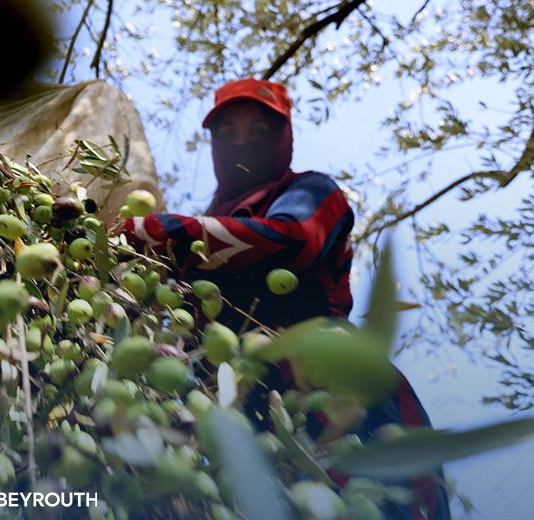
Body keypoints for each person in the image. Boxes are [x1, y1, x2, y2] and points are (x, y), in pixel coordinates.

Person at [123, 78, 450, 519]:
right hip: (249, 419)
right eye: (228, 131)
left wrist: (155, 232)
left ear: (284, 138)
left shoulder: (310, 191)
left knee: (380, 503)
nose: (242, 142)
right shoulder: (192, 250)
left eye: (259, 131)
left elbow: (292, 239)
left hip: (336, 386)